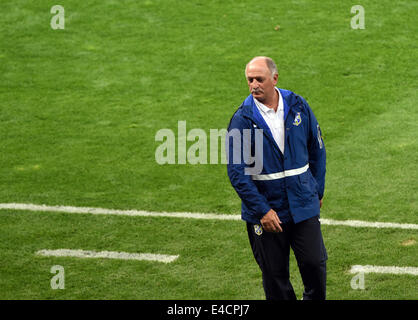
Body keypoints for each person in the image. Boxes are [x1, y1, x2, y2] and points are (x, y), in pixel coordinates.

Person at [226, 56, 327, 300]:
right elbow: (237, 173)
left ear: (274, 78)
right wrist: (262, 210)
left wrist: (317, 190)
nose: (253, 85)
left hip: (302, 203)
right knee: (274, 277)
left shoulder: (298, 105)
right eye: (249, 80)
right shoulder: (242, 120)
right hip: (267, 212)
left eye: (259, 79)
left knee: (315, 264)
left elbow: (318, 149)